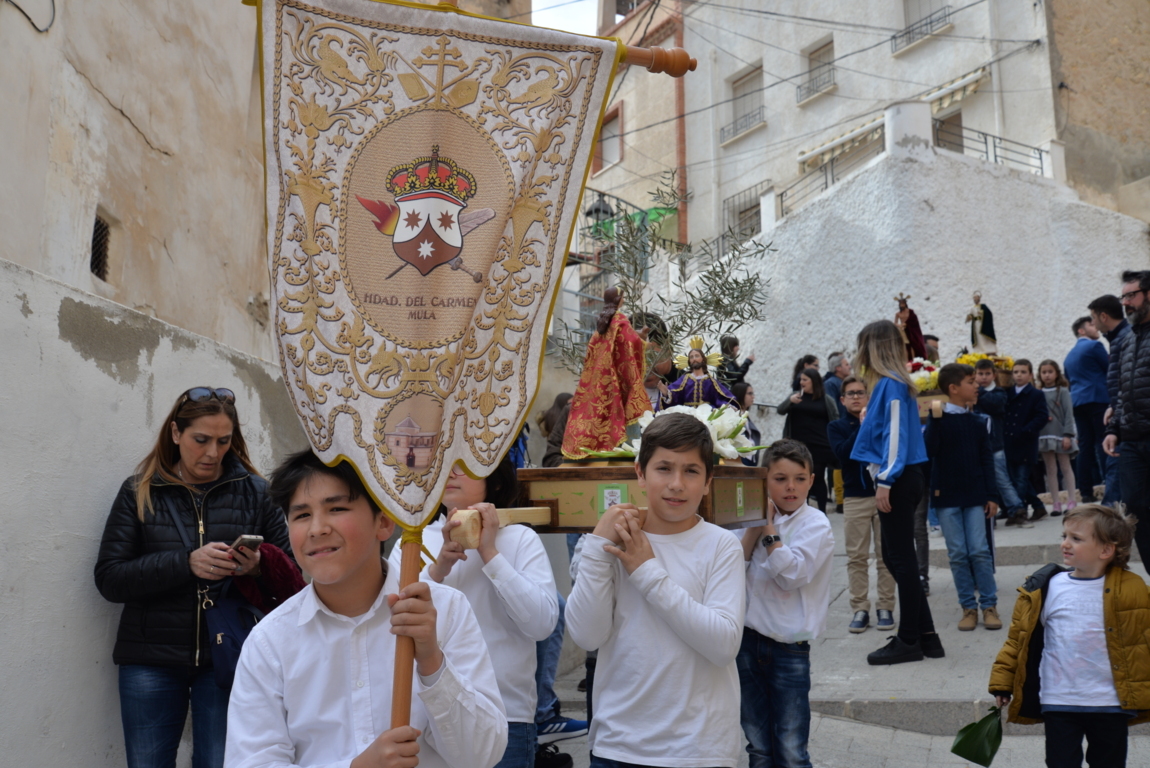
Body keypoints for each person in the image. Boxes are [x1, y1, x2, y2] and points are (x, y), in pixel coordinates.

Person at [225, 451, 508, 768]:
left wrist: (431, 660)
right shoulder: (270, 642)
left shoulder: (445, 611)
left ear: (384, 522)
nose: (317, 528)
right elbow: (252, 761)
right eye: (301, 515)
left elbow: (481, 756)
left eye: (336, 508)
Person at [94, 387, 297, 768]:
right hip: (149, 659)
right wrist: (185, 563)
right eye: (201, 440)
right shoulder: (139, 491)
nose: (212, 453)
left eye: (224, 441)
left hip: (230, 657)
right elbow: (110, 579)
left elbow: (295, 578)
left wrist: (257, 566)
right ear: (175, 433)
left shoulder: (255, 493)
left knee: (222, 762)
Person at [566, 413, 745, 767]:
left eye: (691, 471)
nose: (676, 483)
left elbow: (723, 644)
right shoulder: (608, 542)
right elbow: (587, 635)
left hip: (699, 748)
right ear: (640, 473)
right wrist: (597, 549)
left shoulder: (721, 546)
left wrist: (647, 572)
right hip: (619, 743)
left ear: (708, 481)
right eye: (664, 468)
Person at [389, 456, 568, 768]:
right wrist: (438, 570)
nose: (452, 472)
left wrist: (490, 553)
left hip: (504, 715)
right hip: (423, 714)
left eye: (467, 465)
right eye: (446, 462)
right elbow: (390, 620)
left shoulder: (520, 539)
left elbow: (542, 625)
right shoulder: (413, 542)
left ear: (495, 481)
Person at [989, 505, 1150, 768]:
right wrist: (1002, 682)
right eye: (1064, 536)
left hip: (1110, 702)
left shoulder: (1133, 591)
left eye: (1076, 539)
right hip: (1059, 700)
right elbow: (1018, 640)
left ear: (1106, 550)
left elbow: (1143, 641)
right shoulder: (1046, 587)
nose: (1065, 544)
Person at [737, 439, 834, 768]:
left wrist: (768, 528)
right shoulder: (750, 517)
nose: (790, 487)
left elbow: (791, 575)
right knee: (758, 745)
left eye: (799, 478)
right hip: (747, 642)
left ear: (812, 479)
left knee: (791, 749)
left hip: (789, 649)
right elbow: (733, 569)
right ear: (764, 479)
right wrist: (755, 521)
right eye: (779, 479)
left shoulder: (816, 524)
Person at [850, 320, 943, 665]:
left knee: (900, 561)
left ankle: (908, 641)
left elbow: (896, 437)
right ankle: (928, 636)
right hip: (904, 477)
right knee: (895, 558)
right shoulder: (892, 385)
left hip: (898, 479)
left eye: (862, 347)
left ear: (873, 347)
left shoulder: (890, 385)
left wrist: (885, 480)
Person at [924, 364, 1001, 632]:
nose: (976, 384)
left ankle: (989, 605)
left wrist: (991, 495)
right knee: (957, 553)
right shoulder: (938, 420)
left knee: (980, 550)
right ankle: (968, 608)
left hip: (976, 496)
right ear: (954, 389)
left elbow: (986, 461)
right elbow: (929, 451)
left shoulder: (978, 422)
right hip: (946, 497)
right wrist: (934, 418)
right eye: (971, 381)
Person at [828, 377, 896, 634]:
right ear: (842, 399)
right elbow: (844, 453)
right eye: (850, 394)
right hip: (855, 497)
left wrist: (870, 423)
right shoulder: (836, 427)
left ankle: (886, 607)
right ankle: (860, 608)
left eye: (860, 393)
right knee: (856, 557)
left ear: (868, 397)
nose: (856, 397)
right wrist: (862, 426)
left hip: (883, 494)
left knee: (885, 555)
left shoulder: (882, 422)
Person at [562, 287, 649, 459]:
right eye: (623, 296)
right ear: (619, 300)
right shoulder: (620, 321)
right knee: (625, 414)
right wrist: (642, 339)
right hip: (617, 376)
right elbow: (630, 341)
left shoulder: (601, 327)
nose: (624, 299)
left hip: (600, 380)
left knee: (600, 413)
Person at [1104, 270, 1150, 564]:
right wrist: (1113, 429)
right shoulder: (1128, 340)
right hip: (1132, 442)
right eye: (1123, 297)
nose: (1125, 303)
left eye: (1131, 295)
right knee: (1136, 512)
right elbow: (1123, 391)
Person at [973, 359, 1027, 524]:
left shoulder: (999, 392)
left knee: (1001, 479)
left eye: (987, 374)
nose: (983, 377)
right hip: (978, 445)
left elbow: (994, 404)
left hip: (995, 445)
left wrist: (979, 391)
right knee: (984, 481)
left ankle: (1016, 507)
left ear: (994, 375)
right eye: (980, 374)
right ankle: (991, 515)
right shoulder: (974, 393)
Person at [777, 368, 839, 513]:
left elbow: (835, 419)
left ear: (814, 381)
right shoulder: (796, 396)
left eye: (805, 379)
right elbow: (780, 410)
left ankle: (822, 512)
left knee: (817, 478)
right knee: (801, 478)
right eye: (801, 379)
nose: (801, 382)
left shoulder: (826, 399)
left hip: (820, 446)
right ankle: (804, 510)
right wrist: (789, 401)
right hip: (798, 446)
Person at [1089, 293, 1130, 506]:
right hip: (1122, 416)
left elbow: (1128, 382)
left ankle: (1105, 530)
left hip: (1128, 422)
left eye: (1093, 318)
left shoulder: (1125, 338)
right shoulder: (1119, 338)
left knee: (1115, 474)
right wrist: (1113, 406)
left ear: (1104, 316)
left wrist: (1116, 410)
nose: (1093, 324)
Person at [1063, 317, 1109, 503]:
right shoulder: (1094, 346)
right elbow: (1110, 369)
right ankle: (1111, 484)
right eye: (1091, 324)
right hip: (1098, 398)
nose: (1095, 327)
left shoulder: (1069, 355)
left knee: (1085, 446)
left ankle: (1086, 491)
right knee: (1103, 441)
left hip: (1078, 402)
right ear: (1081, 331)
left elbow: (1068, 378)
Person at [1004, 360, 1050, 525]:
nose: (1019, 375)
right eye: (1016, 372)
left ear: (1030, 375)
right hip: (1009, 442)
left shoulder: (1036, 394)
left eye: (1023, 372)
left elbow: (1042, 417)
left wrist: (1026, 430)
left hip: (1026, 443)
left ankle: (1018, 511)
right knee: (1015, 479)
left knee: (1021, 478)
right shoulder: (1008, 393)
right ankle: (1038, 506)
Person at [1038, 360, 1078, 517]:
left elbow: (1068, 414)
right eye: (1044, 372)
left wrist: (1068, 434)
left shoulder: (1063, 391)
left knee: (1065, 467)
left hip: (1061, 434)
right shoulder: (1039, 392)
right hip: (1045, 434)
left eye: (1050, 371)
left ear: (1056, 373)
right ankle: (1056, 503)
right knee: (1050, 469)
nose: (1047, 375)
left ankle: (1072, 500)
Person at [659, 338, 739, 410]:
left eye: (697, 356)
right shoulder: (684, 380)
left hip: (707, 415)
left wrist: (726, 406)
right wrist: (667, 393)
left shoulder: (710, 381)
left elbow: (719, 397)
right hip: (688, 415)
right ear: (689, 361)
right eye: (691, 357)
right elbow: (676, 396)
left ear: (703, 359)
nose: (694, 359)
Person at [823, 352, 851, 514]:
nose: (850, 367)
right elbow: (832, 407)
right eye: (847, 364)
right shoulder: (832, 384)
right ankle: (840, 499)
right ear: (838, 368)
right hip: (840, 426)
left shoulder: (841, 382)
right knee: (838, 464)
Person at [731, 381, 763, 467]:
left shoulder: (745, 414)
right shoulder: (734, 414)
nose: (753, 396)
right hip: (741, 457)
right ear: (740, 394)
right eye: (749, 393)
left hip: (750, 457)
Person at [893, 294, 926, 361]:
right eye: (900, 303)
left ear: (905, 304)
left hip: (911, 330)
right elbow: (895, 323)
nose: (902, 305)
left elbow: (914, 320)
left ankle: (914, 359)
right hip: (903, 330)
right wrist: (900, 325)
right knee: (905, 345)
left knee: (913, 344)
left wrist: (906, 324)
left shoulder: (910, 311)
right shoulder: (898, 314)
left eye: (903, 303)